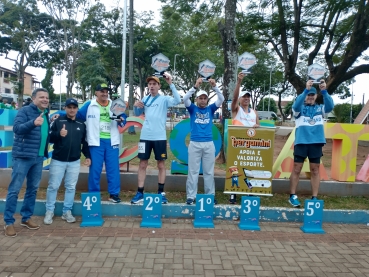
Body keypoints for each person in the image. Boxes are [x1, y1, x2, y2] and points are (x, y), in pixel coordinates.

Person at [3, 88, 50, 237]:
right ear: (34, 98)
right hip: (23, 157)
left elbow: (44, 135)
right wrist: (33, 123)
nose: (45, 100)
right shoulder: (24, 111)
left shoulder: (46, 114)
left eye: (47, 98)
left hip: (38, 158)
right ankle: (9, 222)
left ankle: (26, 218)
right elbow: (17, 129)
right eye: (42, 97)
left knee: (32, 189)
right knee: (14, 190)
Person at [131, 73, 181, 204]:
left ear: (159, 86)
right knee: (142, 164)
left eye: (154, 84)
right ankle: (140, 193)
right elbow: (137, 114)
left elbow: (178, 100)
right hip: (145, 136)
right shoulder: (144, 99)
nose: (152, 86)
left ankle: (161, 193)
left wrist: (171, 83)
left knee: (161, 164)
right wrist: (136, 106)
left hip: (159, 137)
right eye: (150, 84)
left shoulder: (164, 99)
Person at [44, 98, 91, 225]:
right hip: (58, 160)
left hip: (74, 162)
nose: (71, 109)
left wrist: (87, 156)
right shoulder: (59, 121)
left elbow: (84, 143)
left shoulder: (81, 124)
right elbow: (50, 138)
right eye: (69, 107)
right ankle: (49, 211)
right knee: (53, 186)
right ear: (65, 108)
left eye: (74, 107)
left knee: (70, 187)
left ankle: (67, 211)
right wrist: (59, 134)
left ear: (77, 109)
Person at [289, 79, 334, 207]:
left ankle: (314, 197)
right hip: (302, 142)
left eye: (312, 95)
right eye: (308, 95)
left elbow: (330, 106)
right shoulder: (298, 110)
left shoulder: (321, 109)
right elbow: (296, 105)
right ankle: (292, 195)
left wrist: (324, 91)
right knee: (297, 168)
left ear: (315, 96)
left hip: (316, 143)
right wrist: (305, 90)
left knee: (315, 170)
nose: (310, 97)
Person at [183, 78, 224, 205]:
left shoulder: (210, 109)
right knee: (193, 171)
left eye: (204, 98)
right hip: (195, 143)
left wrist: (215, 87)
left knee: (209, 172)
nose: (202, 100)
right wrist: (195, 86)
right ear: (197, 99)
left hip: (208, 144)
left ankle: (210, 196)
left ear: (207, 100)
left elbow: (221, 99)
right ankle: (191, 196)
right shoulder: (193, 109)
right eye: (200, 98)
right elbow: (185, 99)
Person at [229, 72, 260, 204]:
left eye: (248, 97)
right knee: (235, 168)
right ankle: (233, 192)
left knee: (249, 168)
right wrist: (239, 82)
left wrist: (257, 127)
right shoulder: (236, 110)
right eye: (244, 97)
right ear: (240, 99)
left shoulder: (254, 112)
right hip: (237, 145)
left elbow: (258, 127)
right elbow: (234, 98)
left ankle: (249, 191)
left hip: (251, 145)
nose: (246, 99)